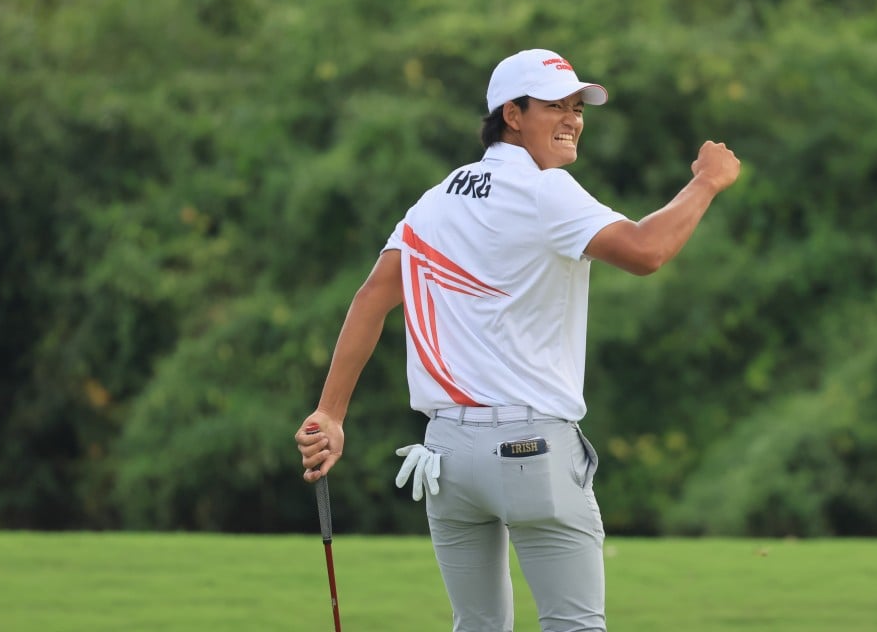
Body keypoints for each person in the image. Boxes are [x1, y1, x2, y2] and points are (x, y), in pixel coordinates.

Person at [295, 48, 741, 631]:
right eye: (556, 105)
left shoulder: (436, 199)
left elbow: (371, 298)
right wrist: (706, 183)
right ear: (512, 114)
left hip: (447, 456)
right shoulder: (545, 190)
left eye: (578, 107)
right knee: (574, 626)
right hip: (532, 452)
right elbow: (645, 251)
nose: (573, 119)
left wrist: (331, 413)